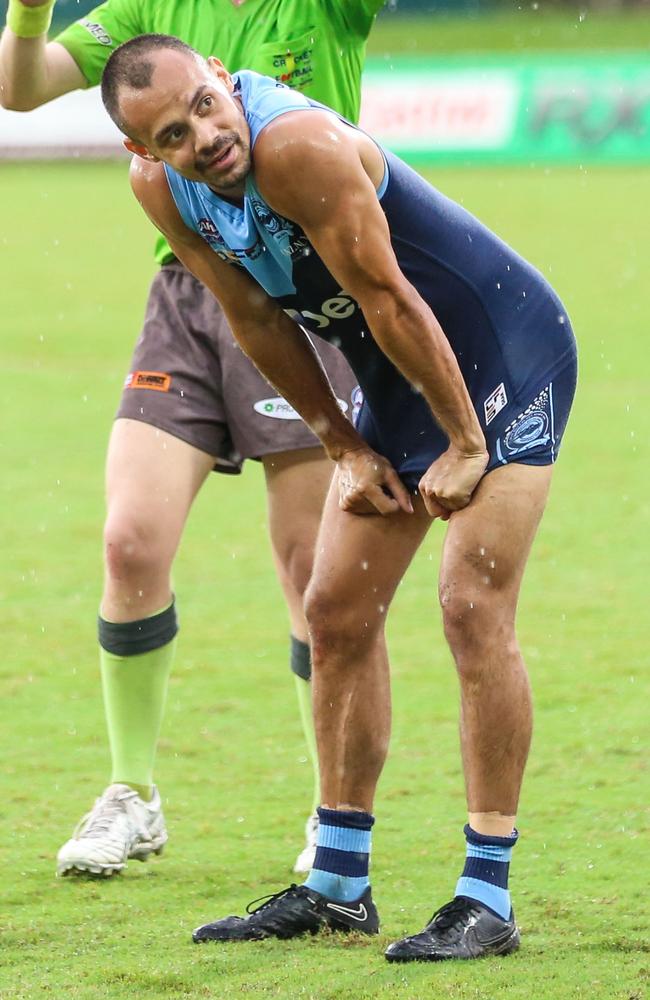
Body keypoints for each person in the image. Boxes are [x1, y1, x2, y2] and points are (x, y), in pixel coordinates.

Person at [100, 35, 578, 961]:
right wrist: (344, 446)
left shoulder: (299, 148)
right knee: (335, 611)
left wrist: (469, 443)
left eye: (205, 103)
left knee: (470, 604)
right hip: (400, 374)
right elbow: (255, 315)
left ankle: (487, 895)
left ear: (219, 73)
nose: (204, 136)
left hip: (501, 348)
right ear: (144, 155)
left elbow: (390, 298)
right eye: (172, 133)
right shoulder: (164, 191)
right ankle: (338, 885)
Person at [0, 0, 386, 877]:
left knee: (309, 572)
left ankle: (331, 812)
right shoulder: (145, 12)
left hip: (300, 297)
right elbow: (18, 91)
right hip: (184, 298)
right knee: (130, 543)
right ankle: (132, 794)